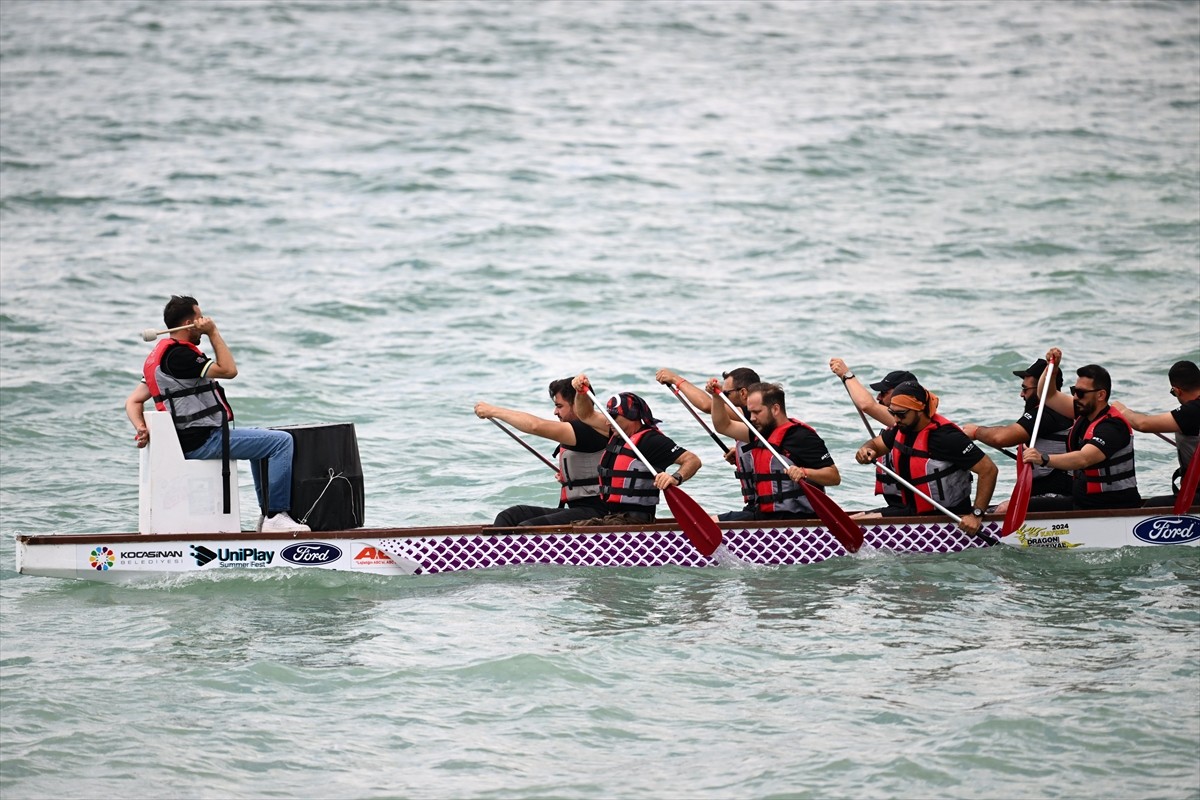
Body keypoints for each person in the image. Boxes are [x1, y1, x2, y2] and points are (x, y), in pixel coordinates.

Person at [125, 295, 309, 532]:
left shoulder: (161, 357)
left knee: (262, 438)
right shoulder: (182, 356)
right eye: (200, 317)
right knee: (281, 443)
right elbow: (229, 370)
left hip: (191, 438)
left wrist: (140, 427)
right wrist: (213, 332)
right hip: (202, 440)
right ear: (190, 322)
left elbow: (133, 401)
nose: (204, 321)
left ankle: (267, 517)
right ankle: (275, 516)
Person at [854, 381, 997, 535]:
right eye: (892, 413)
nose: (895, 419)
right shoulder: (901, 428)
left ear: (920, 408)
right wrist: (866, 449)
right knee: (855, 519)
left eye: (901, 414)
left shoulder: (947, 437)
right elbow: (876, 444)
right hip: (911, 510)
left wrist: (976, 515)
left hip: (947, 516)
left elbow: (988, 470)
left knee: (856, 524)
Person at [474, 378, 610, 527]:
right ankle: (497, 548)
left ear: (577, 404)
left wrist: (493, 411)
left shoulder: (589, 429)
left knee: (527, 527)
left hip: (600, 512)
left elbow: (535, 426)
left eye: (559, 406)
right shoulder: (578, 430)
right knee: (510, 516)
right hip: (581, 509)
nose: (555, 412)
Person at [572, 374, 702, 523]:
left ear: (632, 416)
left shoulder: (651, 440)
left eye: (613, 417)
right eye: (608, 416)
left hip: (635, 520)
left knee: (581, 531)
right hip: (611, 516)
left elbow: (692, 460)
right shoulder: (617, 432)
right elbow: (585, 415)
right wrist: (580, 393)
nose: (608, 422)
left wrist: (674, 478)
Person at [1023, 350, 1141, 510]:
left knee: (1029, 507)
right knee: (1025, 505)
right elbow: (1047, 395)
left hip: (1112, 508)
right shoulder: (1084, 413)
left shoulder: (1113, 427)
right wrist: (1053, 368)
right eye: (1074, 391)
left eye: (1081, 393)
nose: (1076, 397)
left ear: (1100, 395)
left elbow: (1084, 458)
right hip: (1084, 502)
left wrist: (1043, 459)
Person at [707, 380, 840, 521]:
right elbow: (723, 426)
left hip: (795, 517)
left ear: (775, 409)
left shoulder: (802, 437)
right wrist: (716, 397)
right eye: (750, 412)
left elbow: (834, 477)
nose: (752, 418)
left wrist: (804, 472)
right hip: (763, 514)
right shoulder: (759, 432)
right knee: (709, 521)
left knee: (711, 522)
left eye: (757, 412)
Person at [961, 358, 1073, 499]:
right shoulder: (1063, 411)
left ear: (1041, 389)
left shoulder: (1045, 413)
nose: (1021, 394)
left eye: (1025, 389)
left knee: (1000, 510)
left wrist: (976, 432)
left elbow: (1002, 438)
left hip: (1056, 493)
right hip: (1050, 489)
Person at [829, 359, 917, 510]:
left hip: (915, 509)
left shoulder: (911, 423)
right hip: (898, 506)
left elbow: (868, 405)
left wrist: (847, 375)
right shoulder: (895, 428)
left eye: (884, 393)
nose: (879, 397)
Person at [1110, 359, 1199, 503]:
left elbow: (1143, 424)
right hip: (1193, 488)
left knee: (1152, 505)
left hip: (1197, 491)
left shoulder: (1193, 411)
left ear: (1177, 390)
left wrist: (1122, 410)